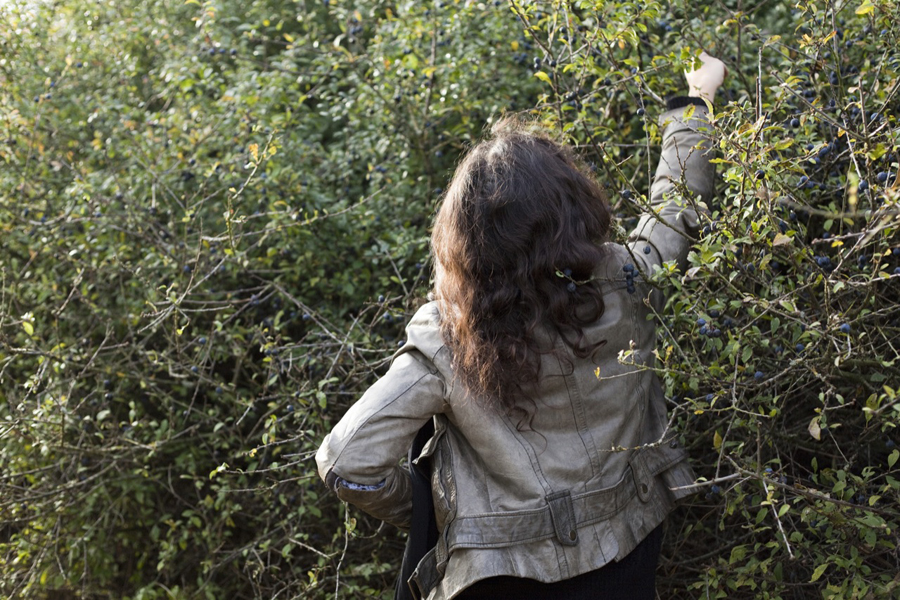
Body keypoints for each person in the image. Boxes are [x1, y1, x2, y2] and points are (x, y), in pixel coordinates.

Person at [315, 52, 727, 600]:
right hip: (625, 547)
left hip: (500, 580)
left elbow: (347, 461)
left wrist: (436, 508)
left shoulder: (452, 335)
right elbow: (675, 211)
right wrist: (695, 105)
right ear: (574, 207)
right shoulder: (627, 279)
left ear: (465, 240)